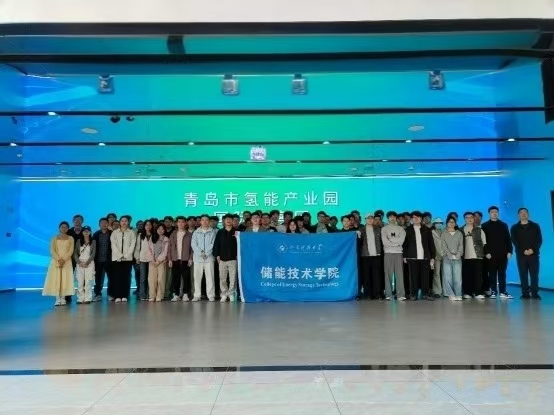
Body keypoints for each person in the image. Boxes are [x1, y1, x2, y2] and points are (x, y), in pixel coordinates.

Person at [481, 206, 513, 299]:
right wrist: (486, 252)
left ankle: (503, 292)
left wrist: (510, 251)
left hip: (503, 254)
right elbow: (483, 241)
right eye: (492, 212)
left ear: (498, 213)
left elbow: (508, 239)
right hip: (490, 254)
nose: (494, 213)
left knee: (502, 273)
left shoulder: (503, 225)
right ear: (489, 214)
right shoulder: (484, 225)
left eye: (496, 212)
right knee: (492, 274)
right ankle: (494, 291)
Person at [403, 211, 436, 301]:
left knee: (425, 276)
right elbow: (405, 244)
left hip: (425, 256)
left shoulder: (427, 229)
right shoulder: (407, 229)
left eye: (418, 217)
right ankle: (413, 294)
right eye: (414, 217)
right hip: (412, 256)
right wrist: (404, 256)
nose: (416, 219)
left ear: (421, 219)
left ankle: (425, 293)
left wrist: (432, 257)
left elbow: (431, 244)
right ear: (412, 219)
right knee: (413, 276)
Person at [511, 208, 542, 300]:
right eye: (521, 212)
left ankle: (535, 293)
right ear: (518, 215)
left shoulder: (535, 226)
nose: (523, 214)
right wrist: (523, 250)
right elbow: (514, 241)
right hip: (521, 255)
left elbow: (539, 239)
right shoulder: (514, 228)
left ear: (528, 214)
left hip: (534, 254)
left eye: (525, 212)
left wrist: (533, 249)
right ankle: (525, 293)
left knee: (534, 274)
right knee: (523, 274)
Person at [43, 221, 75, 306]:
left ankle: (63, 298)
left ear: (68, 229)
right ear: (59, 228)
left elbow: (71, 250)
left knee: (65, 279)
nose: (64, 228)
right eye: (62, 227)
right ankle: (57, 298)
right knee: (56, 279)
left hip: (67, 262)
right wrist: (58, 259)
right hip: (55, 261)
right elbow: (52, 250)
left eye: (66, 227)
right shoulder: (54, 238)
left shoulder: (71, 238)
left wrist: (63, 259)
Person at [460, 212, 489, 300]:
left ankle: (478, 292)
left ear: (473, 219)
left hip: (478, 256)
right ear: (464, 219)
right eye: (467, 217)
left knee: (478, 276)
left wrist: (486, 253)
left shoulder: (479, 230)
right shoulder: (461, 230)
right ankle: (467, 292)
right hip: (465, 257)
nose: (469, 219)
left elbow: (484, 243)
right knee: (467, 275)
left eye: (471, 217)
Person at [110, 215, 137, 303]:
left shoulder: (131, 233)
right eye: (122, 221)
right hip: (116, 258)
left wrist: (126, 255)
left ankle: (125, 295)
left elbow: (132, 245)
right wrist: (119, 255)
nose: (124, 222)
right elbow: (113, 245)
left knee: (126, 277)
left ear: (128, 222)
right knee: (117, 277)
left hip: (128, 259)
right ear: (120, 222)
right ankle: (117, 296)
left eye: (126, 221)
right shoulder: (114, 233)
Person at [191, 214, 217, 302]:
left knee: (210, 278)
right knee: (197, 278)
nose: (205, 222)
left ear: (209, 222)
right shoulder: (196, 232)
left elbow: (213, 244)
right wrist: (201, 253)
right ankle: (197, 295)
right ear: (200, 221)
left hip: (209, 258)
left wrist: (206, 253)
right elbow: (194, 244)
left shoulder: (213, 232)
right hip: (198, 258)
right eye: (203, 220)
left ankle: (211, 295)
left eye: (206, 220)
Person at [381, 211, 406, 301]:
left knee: (399, 274)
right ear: (388, 218)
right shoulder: (384, 229)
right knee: (388, 274)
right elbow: (385, 242)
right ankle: (388, 294)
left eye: (394, 216)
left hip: (398, 253)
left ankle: (400, 295)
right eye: (390, 217)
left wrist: (391, 240)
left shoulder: (401, 229)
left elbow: (401, 241)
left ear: (396, 218)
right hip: (388, 253)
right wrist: (396, 242)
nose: (392, 218)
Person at [213, 214, 238, 302]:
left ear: (233, 221)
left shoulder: (236, 232)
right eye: (227, 219)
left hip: (233, 259)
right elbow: (216, 244)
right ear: (224, 221)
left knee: (233, 278)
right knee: (222, 278)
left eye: (230, 219)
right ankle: (224, 294)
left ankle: (231, 293)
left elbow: (240, 245)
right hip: (222, 259)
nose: (228, 221)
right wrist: (217, 255)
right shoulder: (220, 232)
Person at [168, 216, 193, 302]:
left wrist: (190, 258)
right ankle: (176, 294)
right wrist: (170, 259)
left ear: (185, 223)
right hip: (175, 259)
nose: (181, 223)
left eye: (182, 222)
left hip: (185, 259)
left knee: (186, 277)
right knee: (175, 278)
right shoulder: (173, 234)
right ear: (176, 223)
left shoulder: (189, 234)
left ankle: (185, 294)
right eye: (179, 222)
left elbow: (192, 248)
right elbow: (169, 247)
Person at [359, 214, 383, 300]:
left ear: (373, 220)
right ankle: (368, 294)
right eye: (368, 218)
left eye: (371, 218)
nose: (370, 220)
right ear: (365, 220)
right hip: (365, 256)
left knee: (377, 276)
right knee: (366, 276)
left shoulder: (378, 229)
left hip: (376, 255)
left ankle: (378, 294)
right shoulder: (361, 230)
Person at [441, 216, 464, 301]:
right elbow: (443, 245)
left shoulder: (459, 233)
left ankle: (458, 294)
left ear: (455, 223)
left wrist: (458, 254)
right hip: (447, 257)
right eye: (449, 222)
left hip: (458, 257)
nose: (451, 223)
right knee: (448, 277)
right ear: (447, 223)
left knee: (458, 277)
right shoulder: (443, 233)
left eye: (453, 222)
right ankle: (451, 294)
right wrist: (449, 254)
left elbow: (461, 245)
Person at [73, 226, 96, 304]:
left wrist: (87, 263)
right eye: (84, 231)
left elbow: (93, 253)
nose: (86, 232)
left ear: (90, 232)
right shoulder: (78, 241)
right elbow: (75, 253)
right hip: (80, 263)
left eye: (88, 231)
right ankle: (80, 298)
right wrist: (79, 262)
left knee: (88, 281)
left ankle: (88, 298)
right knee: (80, 281)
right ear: (82, 232)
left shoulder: (93, 241)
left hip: (89, 263)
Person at [134, 220, 154, 301]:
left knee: (150, 278)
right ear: (144, 226)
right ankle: (142, 295)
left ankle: (150, 294)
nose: (148, 226)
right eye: (146, 225)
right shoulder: (140, 235)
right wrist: (137, 258)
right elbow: (137, 248)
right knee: (142, 278)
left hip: (152, 259)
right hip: (142, 259)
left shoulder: (154, 235)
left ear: (152, 226)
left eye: (149, 225)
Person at [93, 218, 112, 301]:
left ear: (108, 224)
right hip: (98, 260)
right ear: (99, 224)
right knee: (98, 278)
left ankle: (110, 294)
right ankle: (97, 294)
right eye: (102, 223)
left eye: (105, 223)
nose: (104, 224)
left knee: (111, 278)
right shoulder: (96, 234)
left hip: (109, 260)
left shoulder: (112, 233)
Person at [148, 223, 169, 302]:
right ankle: (152, 296)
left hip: (161, 262)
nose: (160, 230)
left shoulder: (166, 239)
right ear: (156, 230)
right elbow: (149, 249)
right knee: (152, 279)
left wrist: (159, 260)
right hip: (152, 262)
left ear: (164, 230)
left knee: (160, 279)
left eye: (162, 229)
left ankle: (159, 295)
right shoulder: (152, 238)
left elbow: (165, 252)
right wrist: (153, 259)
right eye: (159, 229)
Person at [431, 218, 444, 298]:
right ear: (434, 224)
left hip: (445, 256)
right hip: (435, 256)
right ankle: (437, 291)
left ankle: (446, 291)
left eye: (440, 223)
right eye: (437, 223)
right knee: (436, 274)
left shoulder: (444, 232)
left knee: (445, 274)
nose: (438, 224)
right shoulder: (431, 233)